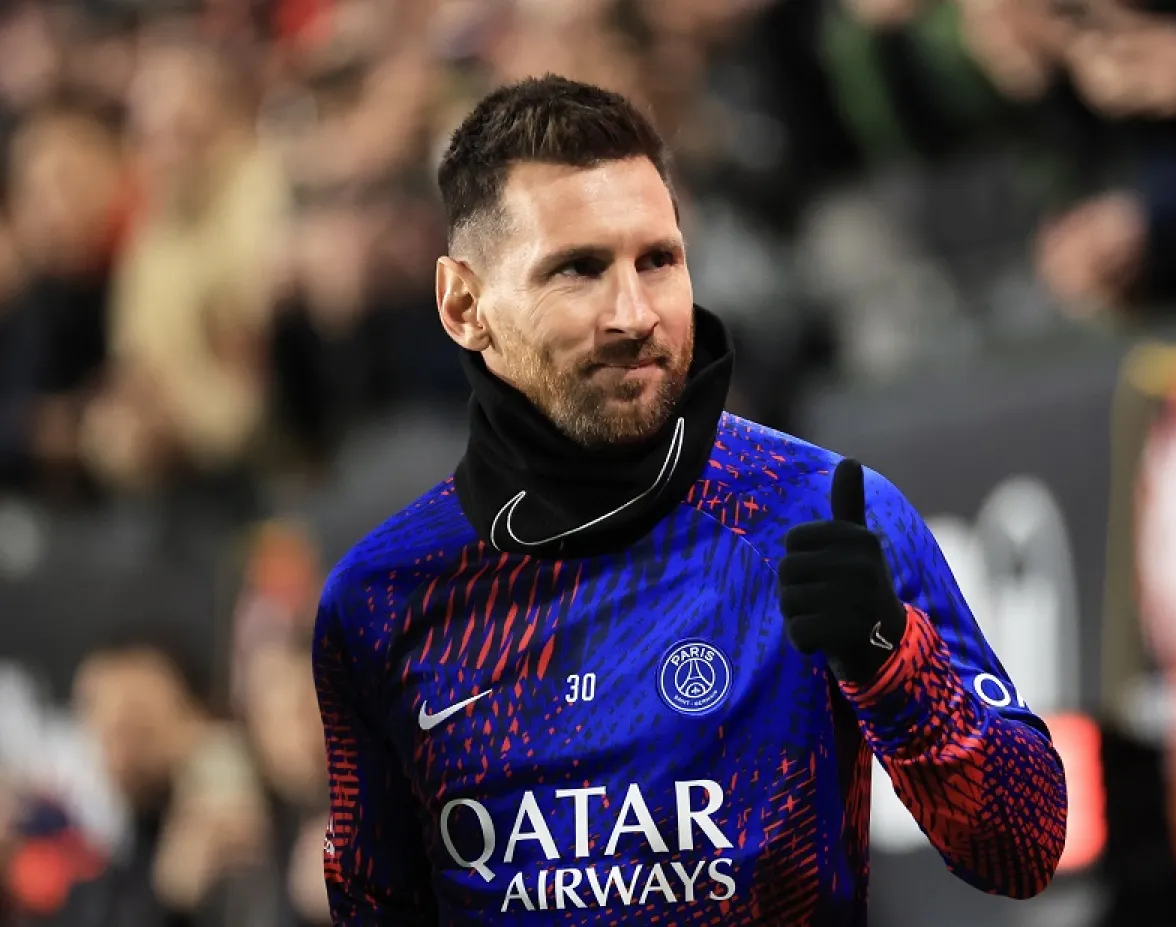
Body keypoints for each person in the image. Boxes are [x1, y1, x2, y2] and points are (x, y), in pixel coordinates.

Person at [312, 74, 1067, 924]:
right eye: (579, 270)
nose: (635, 312)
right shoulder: (379, 600)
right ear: (464, 304)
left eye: (659, 260)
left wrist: (891, 655)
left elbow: (1024, 846)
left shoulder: (817, 511)